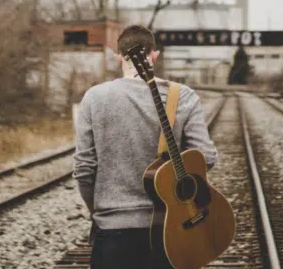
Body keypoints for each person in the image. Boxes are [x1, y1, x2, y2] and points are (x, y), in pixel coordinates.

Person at [72, 24, 218, 269]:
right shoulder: (183, 96)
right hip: (171, 230)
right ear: (155, 55)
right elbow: (206, 158)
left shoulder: (94, 97)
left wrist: (96, 212)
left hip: (112, 230)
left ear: (119, 57)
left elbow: (84, 170)